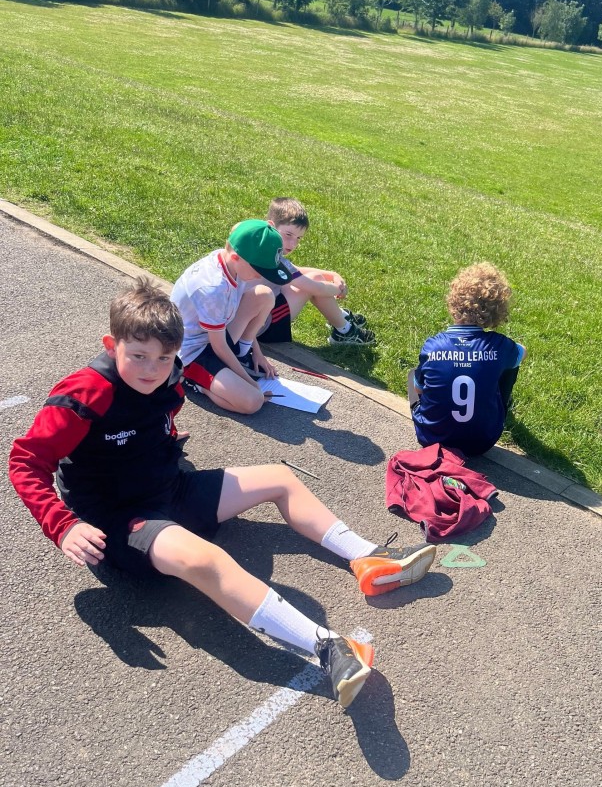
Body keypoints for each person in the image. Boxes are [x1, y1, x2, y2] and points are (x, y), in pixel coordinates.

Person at [8, 279, 437, 708]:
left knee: (280, 478)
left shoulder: (171, 375)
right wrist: (63, 526)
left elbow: (155, 419)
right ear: (111, 344)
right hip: (121, 518)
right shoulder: (84, 394)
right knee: (205, 560)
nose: (151, 369)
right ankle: (328, 647)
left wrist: (164, 443)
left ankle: (368, 556)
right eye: (138, 356)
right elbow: (25, 462)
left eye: (163, 357)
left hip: (170, 488)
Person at [170, 219, 295, 416]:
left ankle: (239, 356)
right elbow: (219, 346)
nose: (261, 276)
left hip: (213, 336)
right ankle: (195, 382)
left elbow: (228, 321)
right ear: (237, 257)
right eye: (259, 270)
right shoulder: (213, 288)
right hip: (192, 353)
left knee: (264, 295)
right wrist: (251, 382)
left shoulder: (231, 262)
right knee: (253, 401)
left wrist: (257, 353)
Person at [409, 263, 526, 458]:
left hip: (432, 440)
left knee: (413, 375)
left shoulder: (433, 345)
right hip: (482, 443)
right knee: (512, 360)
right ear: (496, 310)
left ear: (454, 302)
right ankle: (502, 404)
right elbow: (523, 352)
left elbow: (419, 390)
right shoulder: (499, 345)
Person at [256, 197, 376, 347]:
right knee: (315, 280)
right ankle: (345, 331)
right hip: (262, 328)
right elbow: (315, 287)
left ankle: (340, 316)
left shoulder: (261, 245)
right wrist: (338, 289)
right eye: (288, 235)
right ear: (271, 226)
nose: (293, 244)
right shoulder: (271, 257)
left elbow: (293, 270)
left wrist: (332, 274)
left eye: (299, 238)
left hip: (254, 318)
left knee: (309, 279)